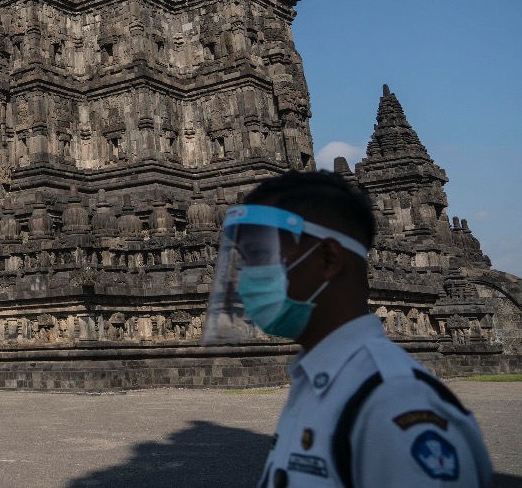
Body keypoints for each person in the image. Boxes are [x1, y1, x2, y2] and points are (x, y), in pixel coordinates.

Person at [202, 170, 492, 487]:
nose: (247, 277)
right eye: (244, 259)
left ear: (329, 258)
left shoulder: (393, 403)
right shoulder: (314, 383)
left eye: (260, 255)